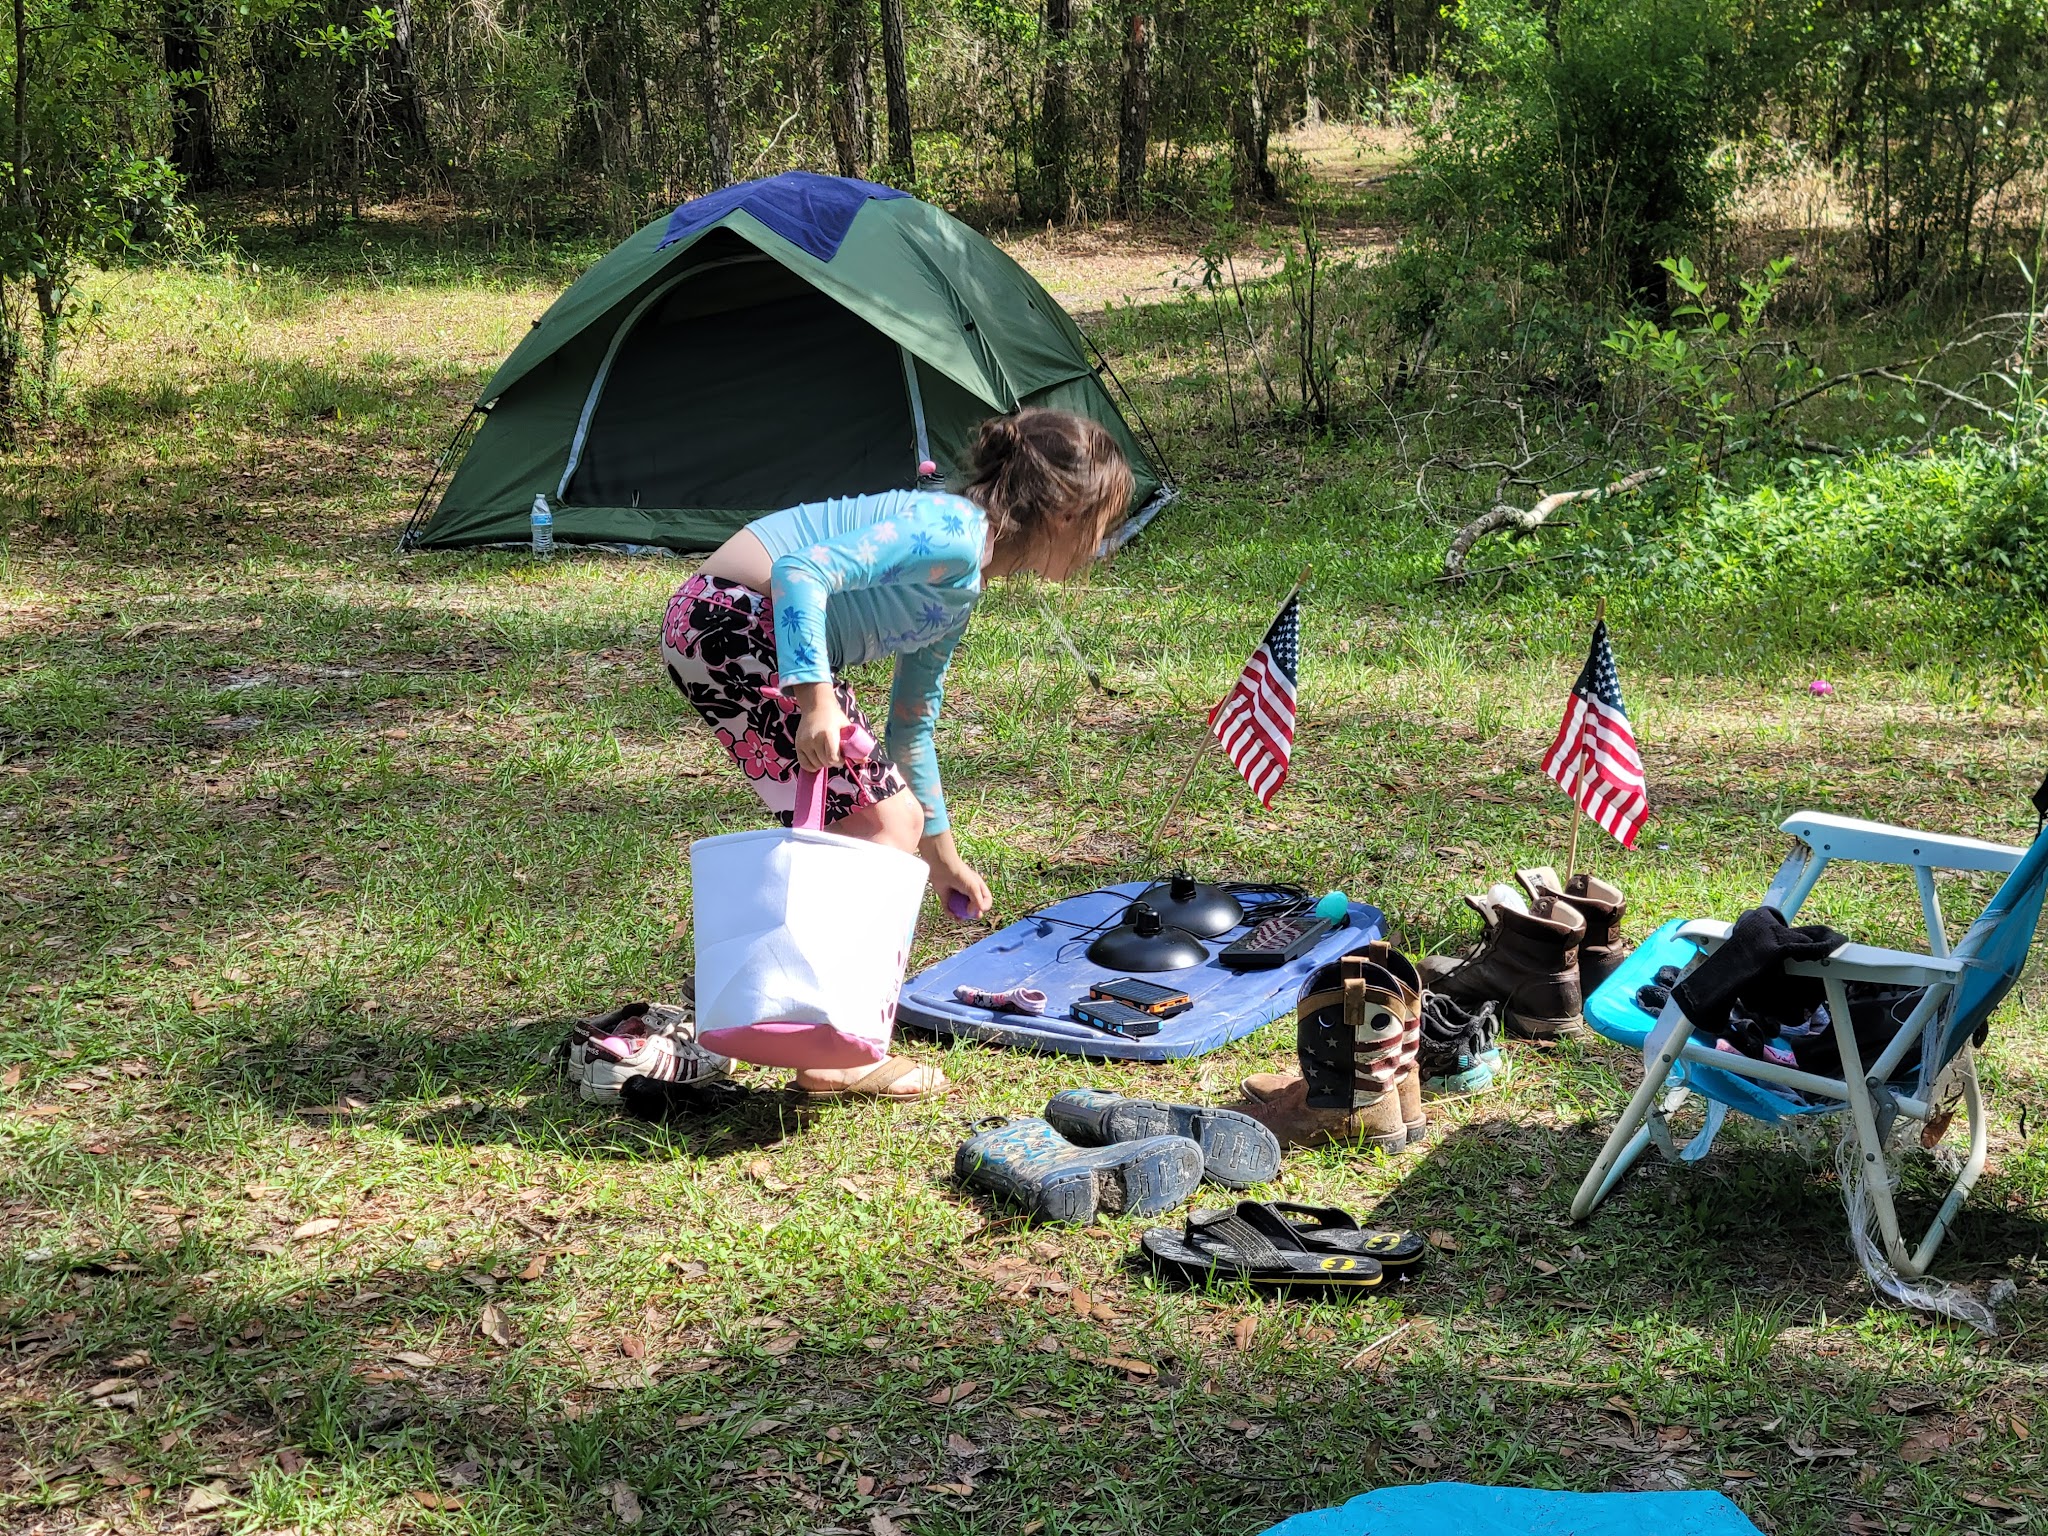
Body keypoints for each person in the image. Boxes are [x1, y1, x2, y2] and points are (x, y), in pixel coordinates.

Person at [662, 408, 1135, 1100]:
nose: (1102, 543)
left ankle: (816, 1028)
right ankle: (833, 1054)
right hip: (733, 618)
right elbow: (801, 570)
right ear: (1065, 513)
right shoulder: (950, 530)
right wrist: (817, 697)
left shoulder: (962, 582)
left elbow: (912, 726)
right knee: (884, 823)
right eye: (1102, 522)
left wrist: (942, 854)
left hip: (736, 629)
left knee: (891, 821)